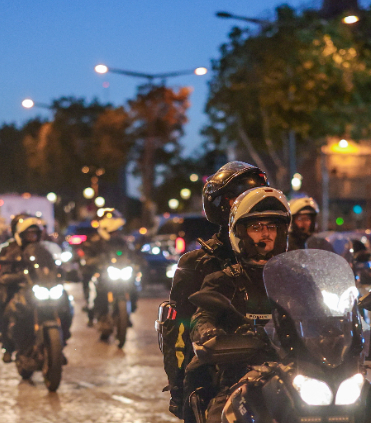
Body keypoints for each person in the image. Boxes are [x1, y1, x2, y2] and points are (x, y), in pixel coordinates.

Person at [160, 161, 268, 421]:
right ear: (219, 205)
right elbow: (180, 328)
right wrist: (179, 386)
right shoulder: (198, 263)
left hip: (277, 362)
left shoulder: (281, 259)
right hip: (221, 366)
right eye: (236, 199)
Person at [188, 186, 290, 423]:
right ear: (241, 233)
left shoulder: (296, 279)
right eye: (256, 227)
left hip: (294, 372)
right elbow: (202, 316)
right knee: (220, 414)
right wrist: (208, 331)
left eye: (272, 226)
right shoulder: (223, 280)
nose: (266, 233)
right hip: (239, 376)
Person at [91, 209, 139, 329]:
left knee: (134, 285)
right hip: (105, 273)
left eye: (117, 231)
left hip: (121, 271)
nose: (115, 234)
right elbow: (90, 254)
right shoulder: (97, 241)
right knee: (99, 290)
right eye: (112, 231)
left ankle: (128, 313)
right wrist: (92, 261)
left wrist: (137, 262)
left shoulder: (123, 242)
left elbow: (132, 254)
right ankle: (101, 316)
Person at [0, 214, 29, 362]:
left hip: (37, 288)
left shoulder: (42, 248)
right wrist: (5, 279)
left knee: (64, 304)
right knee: (3, 305)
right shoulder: (7, 249)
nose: (30, 236)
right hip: (15, 288)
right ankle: (7, 345)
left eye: (34, 232)